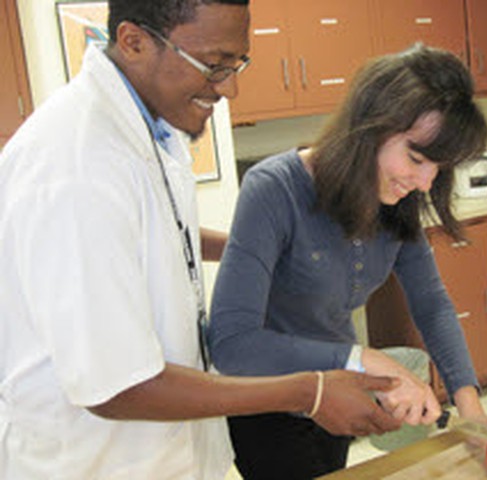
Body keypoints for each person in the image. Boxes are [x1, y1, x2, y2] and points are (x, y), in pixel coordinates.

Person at [0, 1, 404, 479]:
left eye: (237, 64)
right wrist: (309, 391)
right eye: (214, 66)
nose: (229, 87)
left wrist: (254, 250)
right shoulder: (77, 168)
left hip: (169, 454)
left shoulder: (151, 130)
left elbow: (157, 238)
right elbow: (116, 387)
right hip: (99, 461)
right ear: (134, 42)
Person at [209, 44, 487, 479]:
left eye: (437, 169)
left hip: (342, 395)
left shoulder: (397, 201)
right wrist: (364, 358)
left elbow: (431, 304)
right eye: (416, 158)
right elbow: (232, 344)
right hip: (266, 402)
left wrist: (470, 409)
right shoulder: (274, 190)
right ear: (368, 127)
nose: (423, 183)